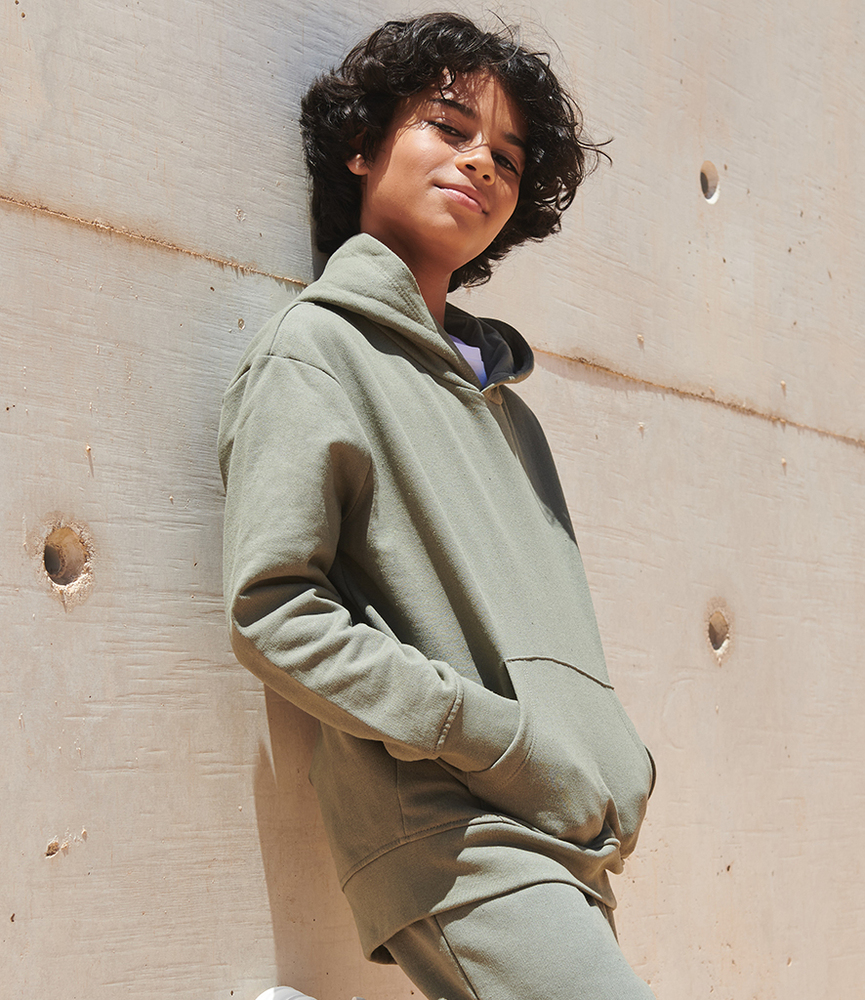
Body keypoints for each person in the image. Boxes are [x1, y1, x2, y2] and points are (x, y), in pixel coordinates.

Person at [219, 13, 656, 1000]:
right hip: (447, 829)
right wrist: (489, 734)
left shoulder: (509, 411)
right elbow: (272, 612)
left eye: (506, 155)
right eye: (449, 127)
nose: (480, 162)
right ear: (362, 147)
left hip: (559, 831)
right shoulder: (315, 353)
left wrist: (607, 755)